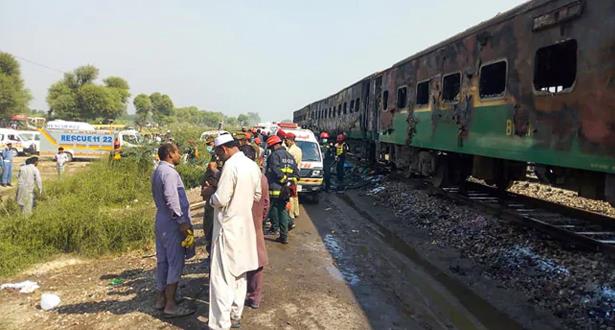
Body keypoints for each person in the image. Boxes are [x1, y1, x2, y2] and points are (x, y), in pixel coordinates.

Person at [206, 134, 262, 330]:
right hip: (244, 227)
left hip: (227, 228)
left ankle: (220, 324)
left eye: (218, 153)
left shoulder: (231, 166)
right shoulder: (252, 165)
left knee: (221, 279)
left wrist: (210, 196)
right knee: (240, 274)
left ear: (224, 149)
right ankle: (235, 315)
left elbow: (221, 199)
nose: (218, 157)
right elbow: (257, 195)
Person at [151, 143, 195, 318]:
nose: (179, 155)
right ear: (170, 154)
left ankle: (160, 299)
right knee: (175, 261)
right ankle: (170, 304)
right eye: (177, 152)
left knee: (163, 261)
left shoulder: (158, 171)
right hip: (172, 223)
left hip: (162, 219)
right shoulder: (169, 173)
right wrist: (182, 222)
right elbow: (171, 198)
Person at [239, 145, 270, 309]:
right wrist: (259, 219)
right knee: (257, 261)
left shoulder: (236, 175)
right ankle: (254, 297)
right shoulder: (261, 177)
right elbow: (266, 204)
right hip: (255, 223)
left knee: (237, 260)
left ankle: (237, 297)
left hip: (238, 224)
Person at [265, 135, 299, 244]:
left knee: (269, 209)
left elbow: (274, 170)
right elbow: (296, 174)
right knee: (281, 210)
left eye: (270, 147)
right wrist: (288, 182)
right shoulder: (290, 156)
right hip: (286, 190)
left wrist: (283, 179)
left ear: (274, 146)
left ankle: (259, 231)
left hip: (275, 188)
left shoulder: (274, 156)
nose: (270, 150)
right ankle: (283, 235)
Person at [284, 133, 302, 221]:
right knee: (295, 194)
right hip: (296, 174)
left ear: (290, 140)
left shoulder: (291, 151)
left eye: (286, 140)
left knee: (290, 195)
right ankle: (296, 212)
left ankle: (291, 214)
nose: (285, 142)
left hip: (291, 175)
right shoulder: (298, 149)